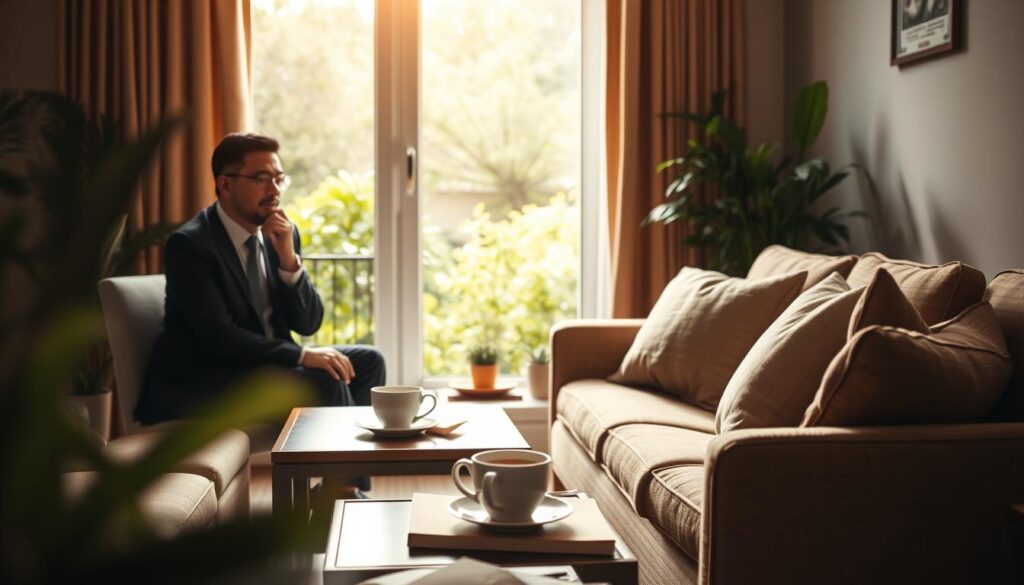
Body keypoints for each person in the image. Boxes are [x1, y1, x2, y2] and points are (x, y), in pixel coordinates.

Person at [137, 133, 386, 426]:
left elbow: (308, 323)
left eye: (279, 178)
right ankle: (339, 470)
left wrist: (289, 262)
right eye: (261, 179)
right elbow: (221, 339)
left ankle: (345, 472)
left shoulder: (281, 234)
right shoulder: (191, 246)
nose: (274, 189)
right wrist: (302, 355)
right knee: (324, 381)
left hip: (265, 367)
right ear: (225, 184)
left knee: (369, 362)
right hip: (209, 380)